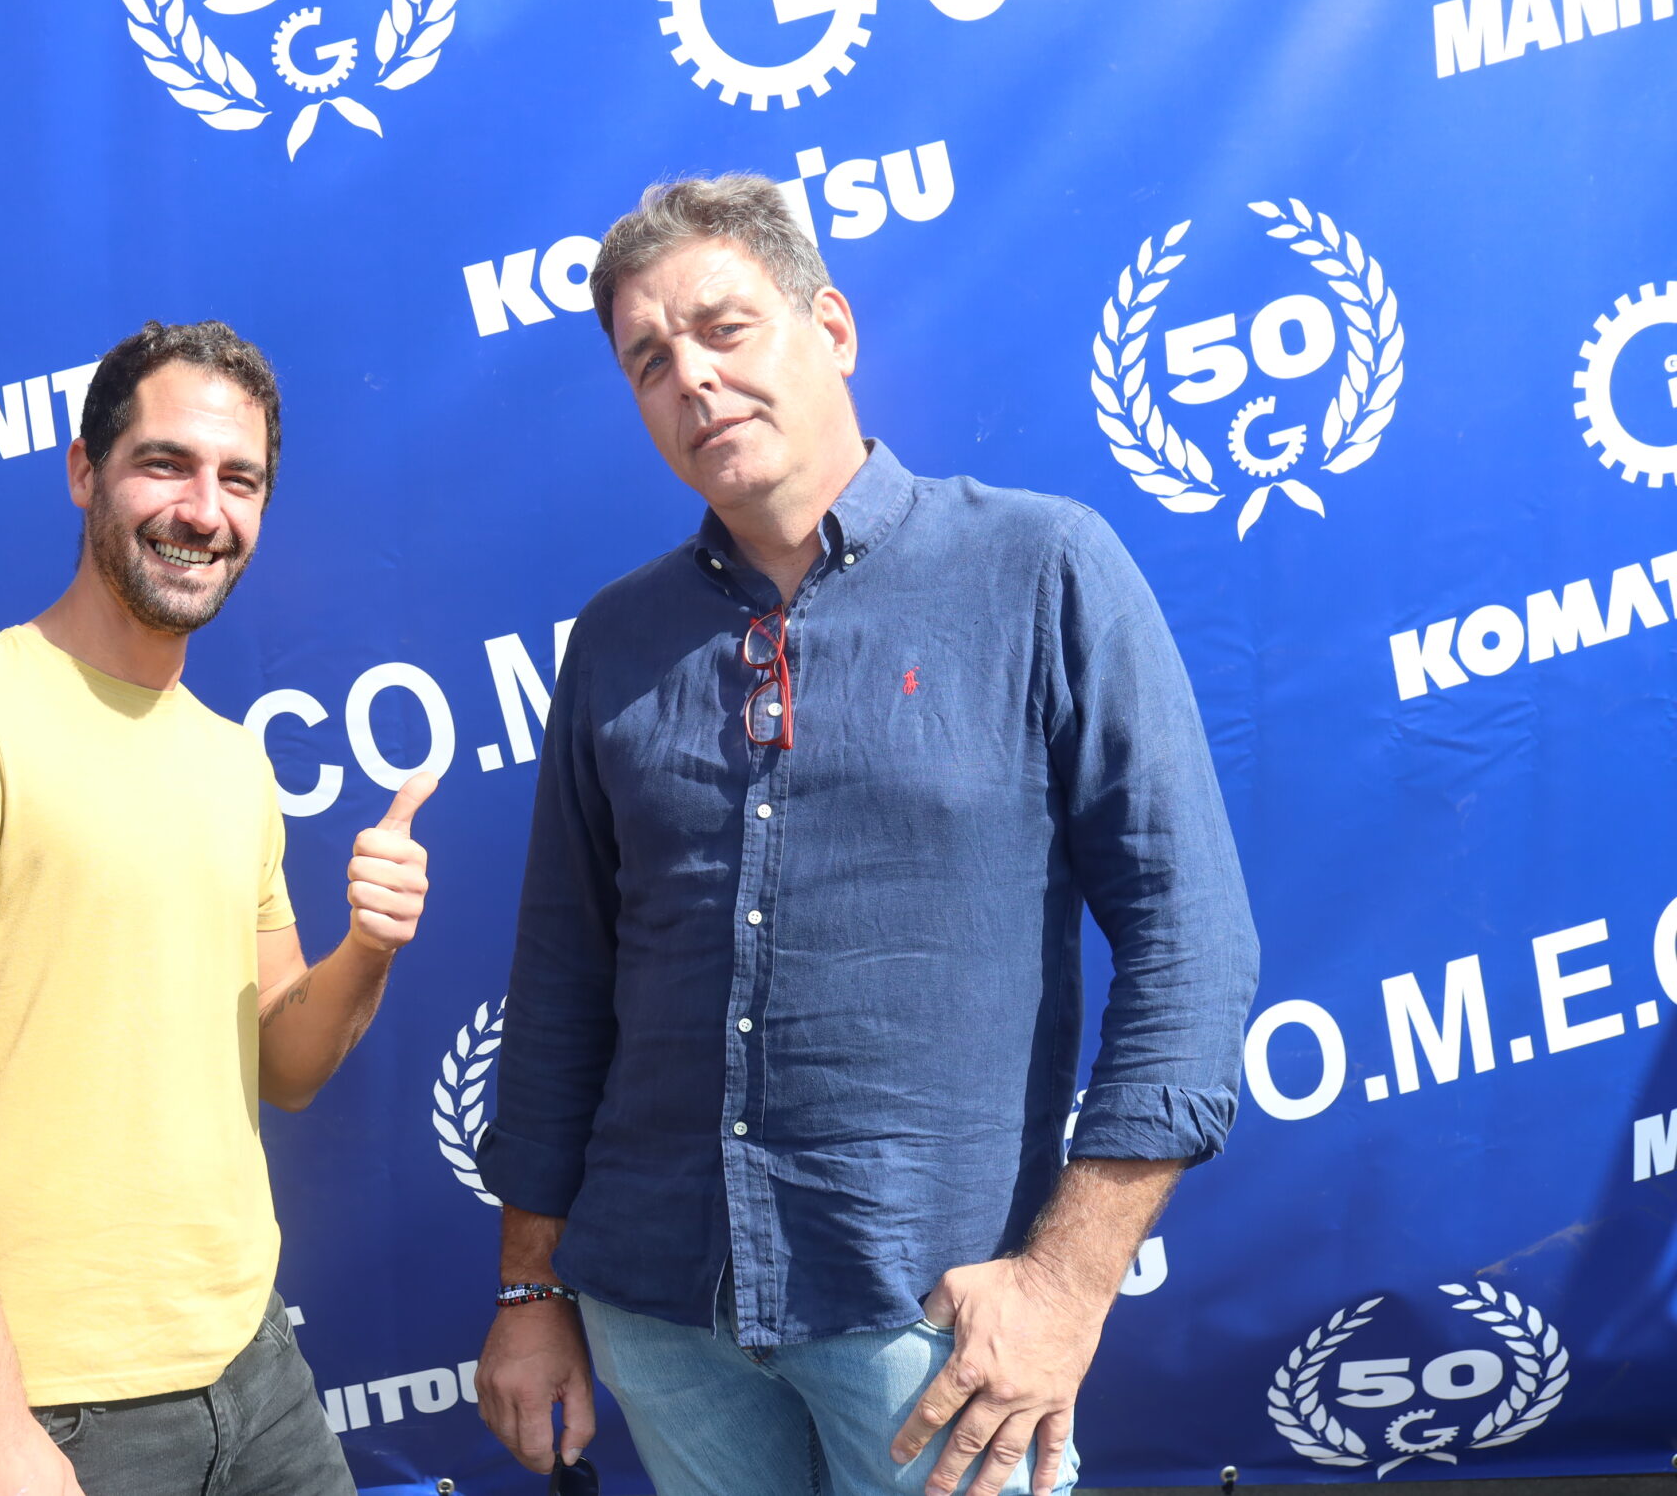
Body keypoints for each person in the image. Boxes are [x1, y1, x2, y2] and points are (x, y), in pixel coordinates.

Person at [473, 178, 1259, 1496]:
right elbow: (561, 989)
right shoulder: (616, 641)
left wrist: (1066, 1286)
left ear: (830, 326)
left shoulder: (1040, 569)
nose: (692, 378)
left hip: (932, 1332)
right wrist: (528, 1287)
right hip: (660, 1320)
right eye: (649, 360)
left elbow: (1194, 947)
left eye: (724, 327)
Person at [0, 320, 434, 1496]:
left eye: (239, 480)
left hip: (256, 1376)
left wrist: (369, 946)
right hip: (47, 1414)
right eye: (166, 464)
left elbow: (286, 1064)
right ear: (83, 472)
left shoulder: (233, 762)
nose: (202, 510)